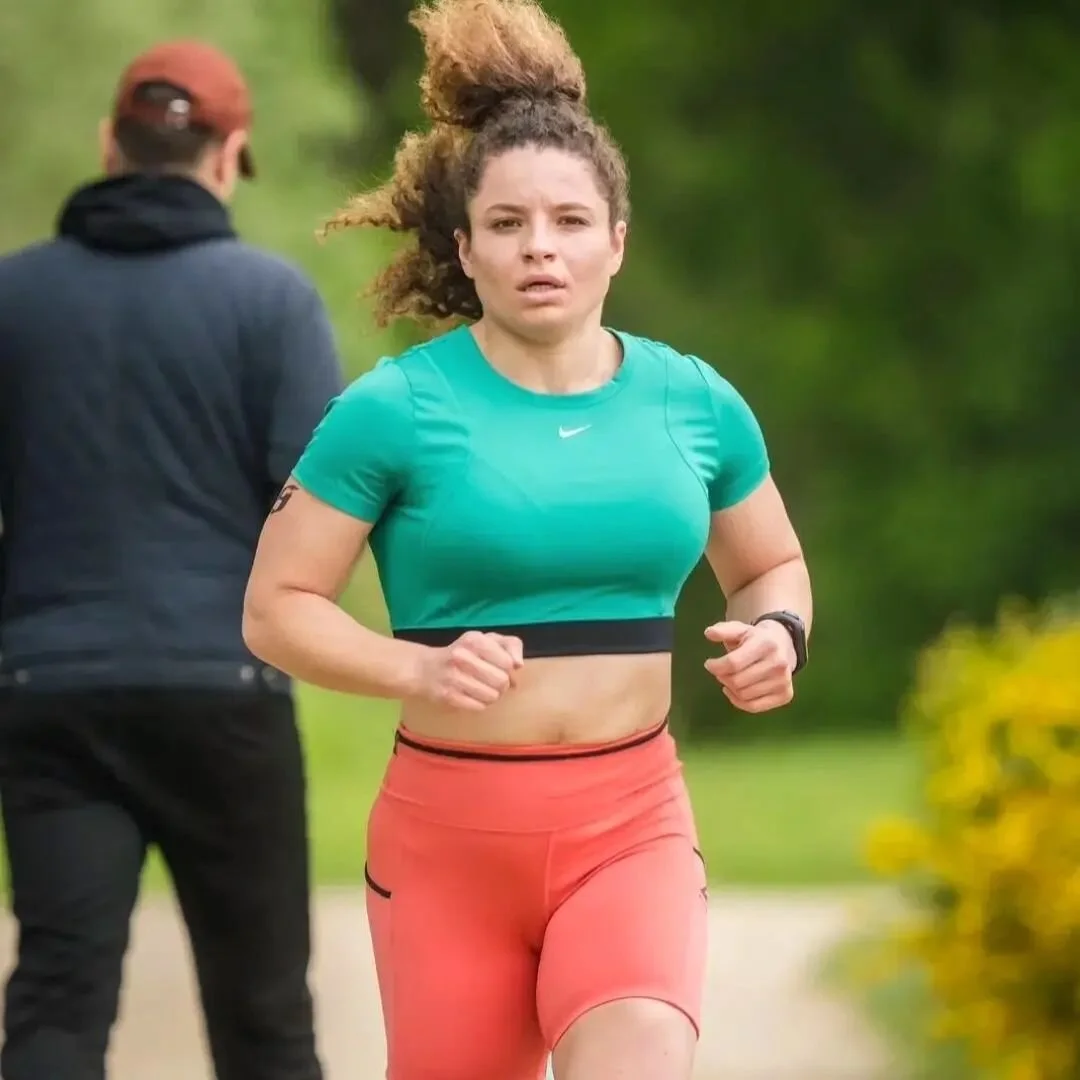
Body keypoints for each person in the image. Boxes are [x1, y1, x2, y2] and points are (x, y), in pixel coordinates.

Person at [242, 0, 812, 1077]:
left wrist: (779, 631)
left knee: (642, 1050)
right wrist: (417, 666)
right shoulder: (393, 409)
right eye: (507, 224)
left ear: (617, 241)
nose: (540, 246)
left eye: (569, 220)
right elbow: (276, 609)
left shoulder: (695, 402)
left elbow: (771, 566)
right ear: (466, 249)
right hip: (447, 845)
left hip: (632, 825)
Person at [0, 39, 342, 1080]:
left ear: (111, 142)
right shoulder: (272, 301)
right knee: (265, 1019)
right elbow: (320, 510)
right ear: (230, 156)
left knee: (57, 1003)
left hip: (48, 692)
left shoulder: (13, 299)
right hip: (225, 695)